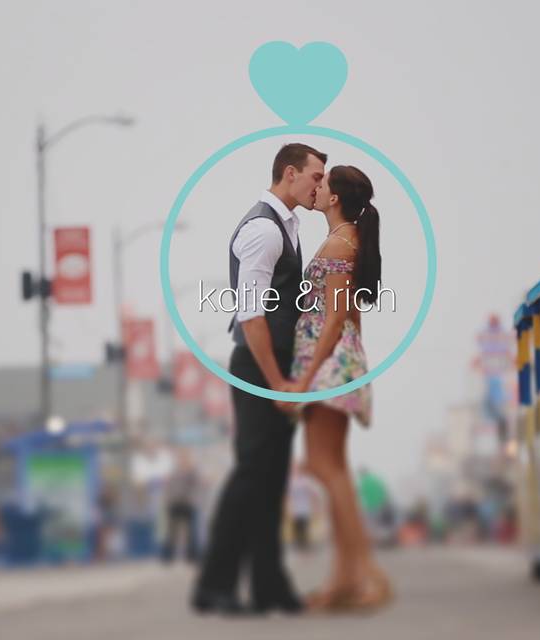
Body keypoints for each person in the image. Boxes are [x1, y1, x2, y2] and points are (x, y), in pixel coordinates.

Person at [191, 143, 326, 615]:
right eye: (315, 176)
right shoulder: (263, 231)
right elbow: (252, 317)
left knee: (271, 479)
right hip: (259, 366)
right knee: (252, 474)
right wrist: (275, 382)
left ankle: (269, 585)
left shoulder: (286, 225)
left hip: (278, 367)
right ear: (290, 174)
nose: (319, 186)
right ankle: (214, 585)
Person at [279, 165, 393, 612]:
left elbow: (335, 320)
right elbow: (349, 320)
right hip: (335, 362)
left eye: (323, 184)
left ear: (334, 198)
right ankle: (344, 581)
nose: (316, 187)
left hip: (328, 364)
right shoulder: (345, 240)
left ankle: (368, 574)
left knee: (325, 468)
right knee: (330, 468)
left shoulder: (342, 242)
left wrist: (305, 382)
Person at [160, 448, 201, 564]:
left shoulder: (193, 472)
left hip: (189, 504)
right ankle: (167, 556)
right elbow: (168, 487)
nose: (183, 460)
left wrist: (192, 500)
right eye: (181, 458)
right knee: (172, 531)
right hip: (174, 503)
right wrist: (168, 500)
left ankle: (192, 556)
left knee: (192, 532)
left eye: (185, 457)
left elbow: (196, 487)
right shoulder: (174, 472)